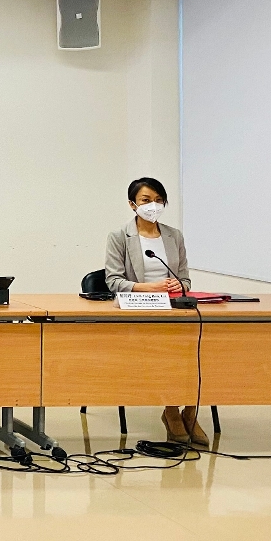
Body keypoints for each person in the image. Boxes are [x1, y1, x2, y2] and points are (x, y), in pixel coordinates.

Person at [104, 176, 205, 445]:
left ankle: (190, 411)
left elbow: (185, 278)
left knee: (196, 347)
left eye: (159, 200)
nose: (153, 206)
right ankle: (171, 411)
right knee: (169, 350)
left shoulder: (174, 235)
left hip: (173, 308)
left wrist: (178, 284)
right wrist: (147, 288)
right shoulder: (119, 236)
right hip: (139, 311)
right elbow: (113, 281)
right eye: (146, 200)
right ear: (132, 204)